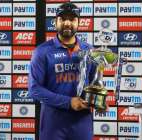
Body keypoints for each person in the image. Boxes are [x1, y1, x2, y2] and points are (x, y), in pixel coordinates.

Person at [29, 2, 96, 140]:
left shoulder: (90, 51)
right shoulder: (42, 52)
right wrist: (69, 102)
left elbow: (94, 84)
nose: (67, 23)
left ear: (78, 23)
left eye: (72, 19)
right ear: (55, 22)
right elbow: (34, 89)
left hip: (81, 123)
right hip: (53, 124)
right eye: (62, 19)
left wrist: (97, 100)